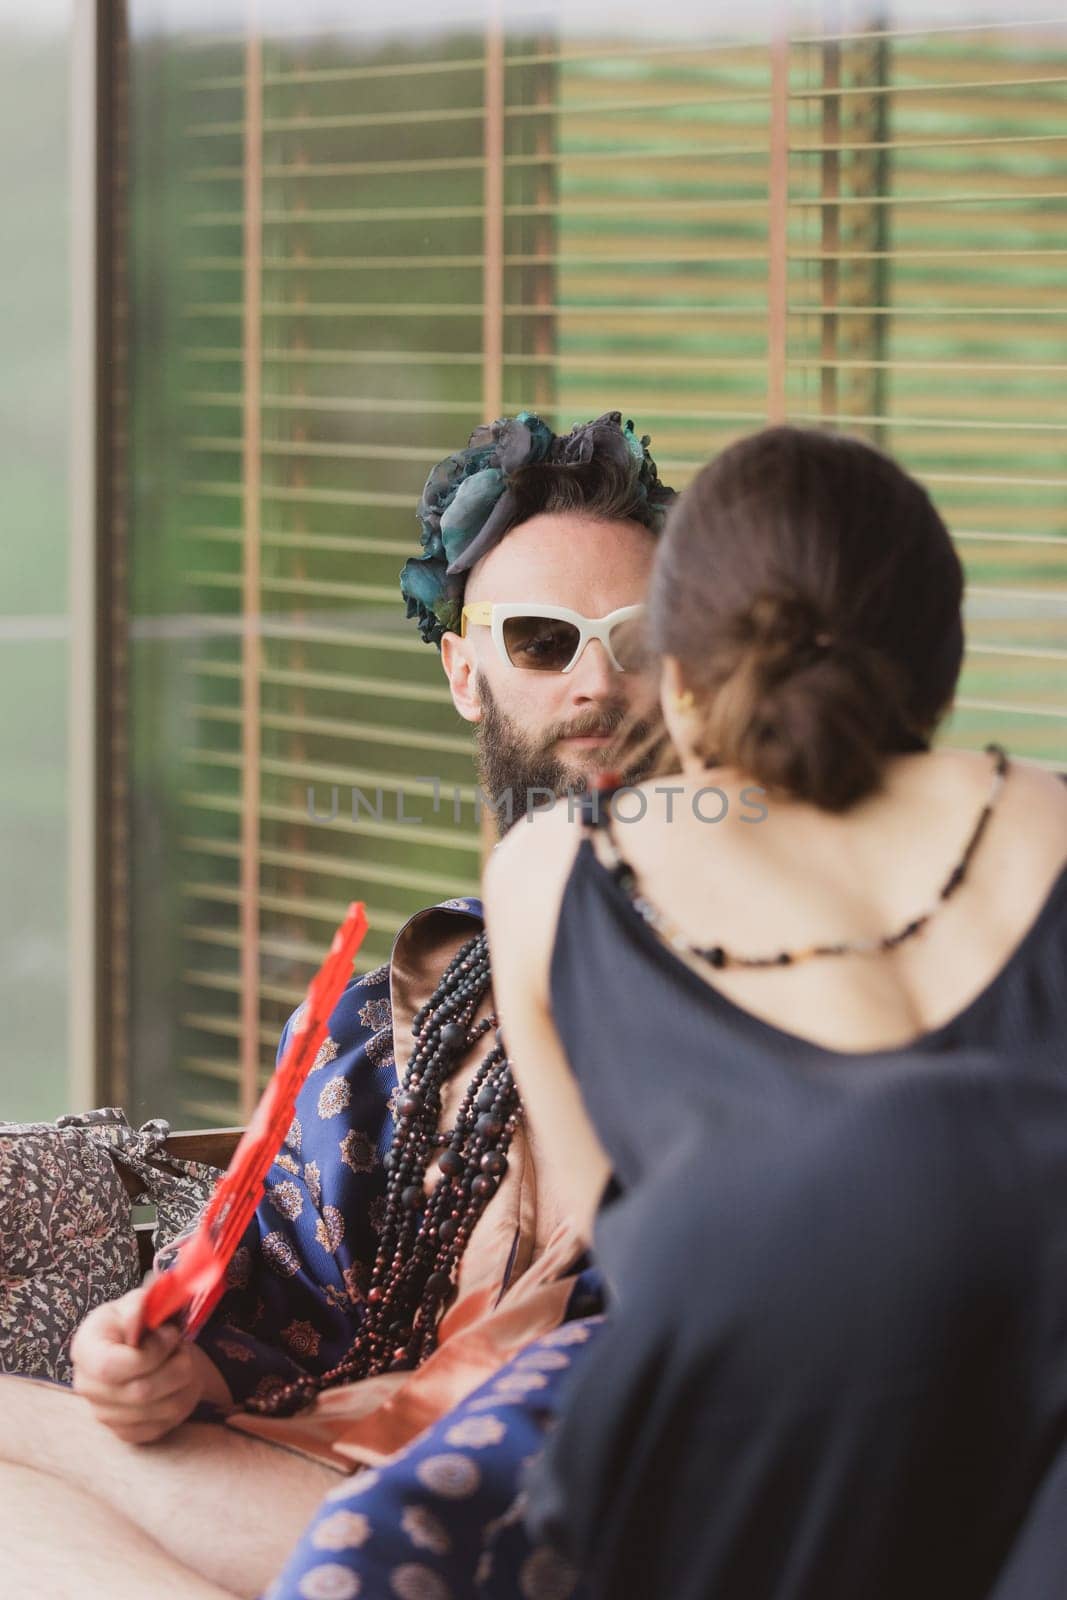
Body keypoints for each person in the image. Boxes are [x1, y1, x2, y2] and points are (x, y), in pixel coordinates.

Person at [0, 411, 674, 1600]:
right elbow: (281, 1312)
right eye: (540, 640)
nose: (596, 681)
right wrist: (168, 1368)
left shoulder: (782, 989)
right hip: (287, 1483)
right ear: (466, 674)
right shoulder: (392, 1019)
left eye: (639, 636)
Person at [483, 425, 1067, 1600]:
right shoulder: (1046, 816)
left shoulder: (555, 870)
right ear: (938, 666)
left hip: (745, 1513)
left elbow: (625, 1242)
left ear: (682, 679)